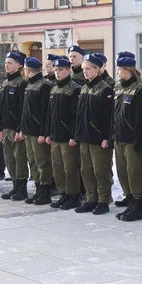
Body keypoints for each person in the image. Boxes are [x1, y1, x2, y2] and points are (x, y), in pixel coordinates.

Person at [74, 53, 114, 214]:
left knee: (100, 171)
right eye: (84, 69)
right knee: (86, 170)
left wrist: (107, 137)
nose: (85, 72)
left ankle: (103, 200)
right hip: (85, 136)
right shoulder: (84, 87)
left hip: (98, 138)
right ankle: (91, 199)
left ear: (97, 69)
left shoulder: (105, 89)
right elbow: (79, 113)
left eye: (89, 69)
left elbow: (109, 117)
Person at [112, 52, 142, 222]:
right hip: (119, 135)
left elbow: (141, 117)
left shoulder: (140, 87)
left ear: (128, 69)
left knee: (135, 171)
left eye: (120, 69)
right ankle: (129, 196)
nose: (118, 72)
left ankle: (138, 201)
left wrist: (138, 138)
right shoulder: (118, 86)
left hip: (132, 137)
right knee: (122, 170)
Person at [46, 57, 81, 209]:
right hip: (55, 135)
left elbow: (76, 115)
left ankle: (73, 196)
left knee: (70, 168)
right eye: (56, 70)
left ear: (68, 70)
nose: (57, 73)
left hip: (67, 136)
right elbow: (49, 113)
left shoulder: (74, 88)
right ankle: (63, 194)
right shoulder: (54, 88)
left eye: (60, 70)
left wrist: (74, 135)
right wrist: (48, 132)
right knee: (58, 168)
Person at [20, 57, 54, 204]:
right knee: (33, 162)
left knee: (42, 162)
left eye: (25, 70)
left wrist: (43, 132)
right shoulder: (29, 85)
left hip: (38, 132)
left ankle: (45, 192)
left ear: (28, 70)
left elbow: (46, 112)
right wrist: (22, 129)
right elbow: (25, 111)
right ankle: (38, 189)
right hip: (28, 131)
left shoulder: (44, 86)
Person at [0, 51, 29, 200]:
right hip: (5, 127)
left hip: (15, 129)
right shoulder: (6, 82)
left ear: (19, 65)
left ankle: (21, 189)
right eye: (6, 62)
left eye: (10, 62)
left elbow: (23, 108)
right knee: (9, 159)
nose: (6, 65)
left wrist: (19, 129)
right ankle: (15, 187)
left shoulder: (22, 83)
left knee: (19, 159)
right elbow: (1, 107)